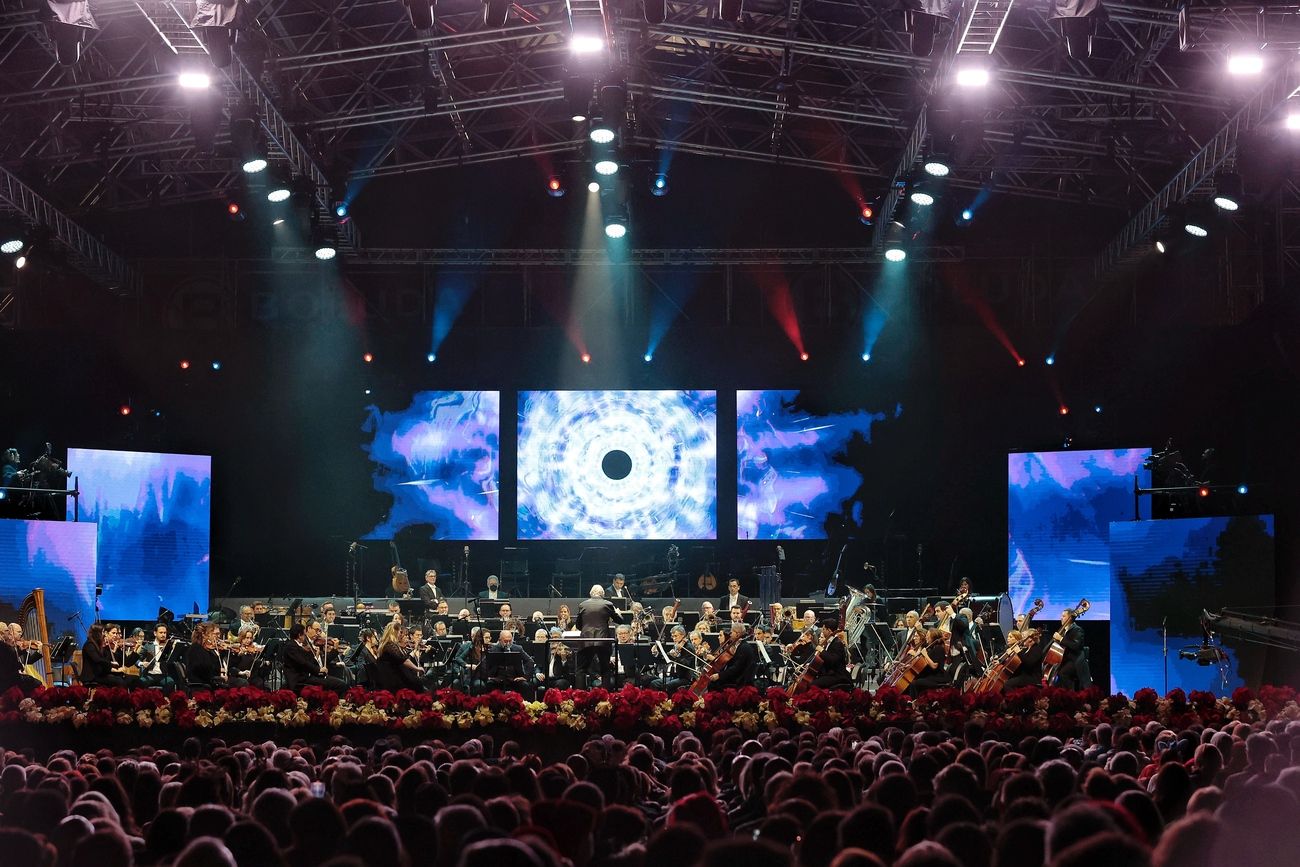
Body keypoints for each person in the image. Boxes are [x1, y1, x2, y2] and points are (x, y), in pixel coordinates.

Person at [577, 584, 622, 687]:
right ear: (603, 594)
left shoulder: (582, 605)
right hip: (603, 640)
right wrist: (618, 613)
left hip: (586, 640)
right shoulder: (608, 604)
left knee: (581, 669)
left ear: (590, 593)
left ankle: (580, 696)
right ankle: (606, 698)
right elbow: (620, 621)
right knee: (605, 670)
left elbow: (579, 625)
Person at [282, 621, 346, 692]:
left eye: (320, 631)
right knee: (339, 685)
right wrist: (318, 670)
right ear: (300, 635)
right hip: (301, 679)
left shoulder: (301, 646)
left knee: (340, 683)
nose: (318, 633)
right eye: (317, 630)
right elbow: (303, 663)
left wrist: (318, 660)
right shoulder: (291, 646)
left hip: (311, 675)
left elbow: (311, 662)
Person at [484, 629, 543, 698]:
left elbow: (530, 661)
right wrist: (489, 676)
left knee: (525, 686)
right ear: (500, 640)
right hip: (497, 679)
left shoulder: (518, 648)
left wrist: (525, 677)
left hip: (514, 679)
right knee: (489, 685)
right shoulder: (493, 649)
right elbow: (485, 663)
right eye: (505, 641)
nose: (508, 643)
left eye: (510, 641)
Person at [1046, 605, 1088, 689]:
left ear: (1070, 618)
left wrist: (1060, 639)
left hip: (1074, 660)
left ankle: (1069, 695)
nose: (1061, 618)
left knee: (1062, 673)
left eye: (1063, 616)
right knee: (1053, 672)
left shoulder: (1077, 629)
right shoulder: (1064, 630)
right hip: (1064, 659)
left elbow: (1075, 646)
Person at [375, 622, 423, 691]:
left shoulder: (388, 644)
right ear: (395, 632)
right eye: (400, 632)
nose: (400, 635)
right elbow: (403, 660)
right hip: (391, 680)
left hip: (392, 676)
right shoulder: (389, 645)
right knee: (417, 684)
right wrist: (417, 668)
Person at [709, 623, 758, 690]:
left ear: (737, 634)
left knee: (712, 684)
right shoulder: (740, 646)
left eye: (732, 632)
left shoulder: (744, 648)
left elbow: (736, 668)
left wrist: (719, 675)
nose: (730, 634)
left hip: (739, 681)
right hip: (737, 677)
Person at [81, 623, 130, 688]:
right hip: (91, 677)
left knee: (119, 679)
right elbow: (97, 659)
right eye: (103, 632)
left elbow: (102, 659)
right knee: (119, 681)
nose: (104, 634)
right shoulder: (89, 644)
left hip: (98, 675)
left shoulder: (95, 644)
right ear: (97, 633)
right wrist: (111, 663)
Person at [811, 621, 853, 690]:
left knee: (813, 685)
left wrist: (822, 651)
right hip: (830, 674)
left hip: (837, 675)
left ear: (829, 630)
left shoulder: (837, 643)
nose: (822, 631)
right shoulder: (830, 642)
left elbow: (833, 660)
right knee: (813, 680)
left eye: (824, 629)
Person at [0, 622, 42, 691]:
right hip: (9, 678)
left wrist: (39, 651)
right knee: (35, 684)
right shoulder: (6, 646)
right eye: (18, 632)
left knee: (36, 683)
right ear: (11, 633)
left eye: (21, 632)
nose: (21, 634)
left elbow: (28, 661)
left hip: (17, 673)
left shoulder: (20, 646)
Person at [909, 627, 952, 695]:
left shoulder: (939, 648)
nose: (926, 637)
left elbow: (934, 666)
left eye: (928, 636)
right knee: (912, 681)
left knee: (915, 683)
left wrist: (925, 655)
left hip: (938, 677)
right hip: (930, 675)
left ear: (933, 638)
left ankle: (916, 703)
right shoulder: (930, 648)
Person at [185, 624, 229, 688]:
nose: (219, 636)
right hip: (202, 683)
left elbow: (213, 665)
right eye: (216, 634)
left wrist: (222, 653)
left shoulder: (206, 649)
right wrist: (218, 673)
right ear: (205, 635)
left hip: (209, 680)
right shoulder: (196, 649)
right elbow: (202, 670)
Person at [137, 622, 177, 691]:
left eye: (165, 633)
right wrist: (142, 663)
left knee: (171, 683)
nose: (163, 635)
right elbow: (137, 659)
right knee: (141, 682)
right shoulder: (148, 645)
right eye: (161, 632)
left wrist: (173, 649)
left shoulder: (168, 646)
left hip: (163, 675)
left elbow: (173, 660)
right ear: (155, 633)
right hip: (150, 675)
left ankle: (166, 700)